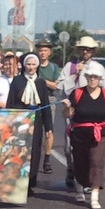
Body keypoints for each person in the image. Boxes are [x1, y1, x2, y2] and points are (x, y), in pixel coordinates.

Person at [64, 60, 105, 209]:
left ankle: (95, 196)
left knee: (96, 162)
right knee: (80, 161)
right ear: (86, 77)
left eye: (95, 77)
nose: (92, 79)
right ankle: (80, 187)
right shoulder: (77, 93)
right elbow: (68, 114)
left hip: (100, 134)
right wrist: (66, 107)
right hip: (79, 134)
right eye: (90, 76)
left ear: (100, 79)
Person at [6, 53, 52, 190]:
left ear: (37, 66)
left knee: (35, 150)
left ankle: (31, 181)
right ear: (24, 65)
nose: (31, 67)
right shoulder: (17, 81)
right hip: (21, 118)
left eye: (33, 65)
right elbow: (10, 101)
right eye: (28, 64)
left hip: (36, 120)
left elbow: (46, 105)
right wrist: (11, 120)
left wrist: (48, 127)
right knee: (20, 148)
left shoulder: (41, 83)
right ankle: (18, 179)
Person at [36, 40, 61, 176]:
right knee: (34, 130)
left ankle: (46, 159)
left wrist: (42, 82)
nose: (43, 52)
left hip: (49, 99)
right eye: (40, 50)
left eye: (45, 50)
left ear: (49, 52)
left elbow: (56, 85)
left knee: (49, 131)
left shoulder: (53, 68)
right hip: (34, 99)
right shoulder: (34, 65)